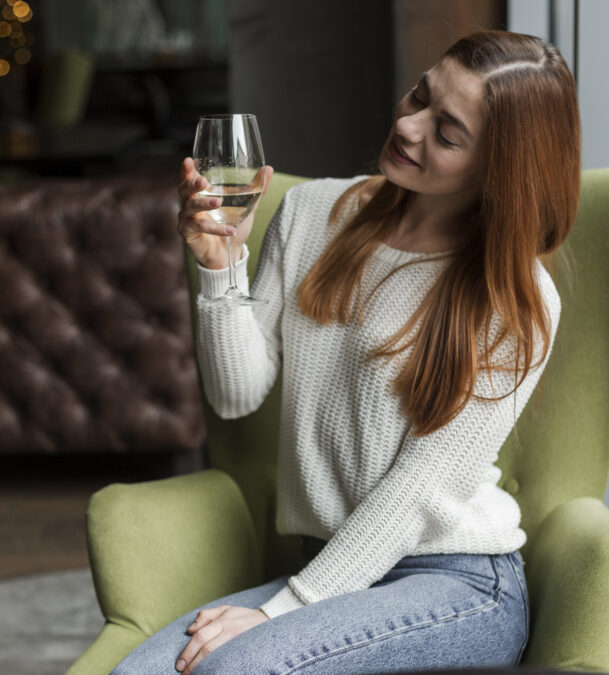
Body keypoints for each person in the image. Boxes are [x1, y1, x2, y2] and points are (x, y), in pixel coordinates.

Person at [112, 28, 580, 675]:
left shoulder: (516, 297)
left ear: (497, 169)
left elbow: (420, 489)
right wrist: (222, 267)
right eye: (420, 96)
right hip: (333, 564)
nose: (409, 126)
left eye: (446, 133)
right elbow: (236, 393)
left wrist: (282, 610)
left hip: (458, 581)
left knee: (236, 668)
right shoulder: (311, 210)